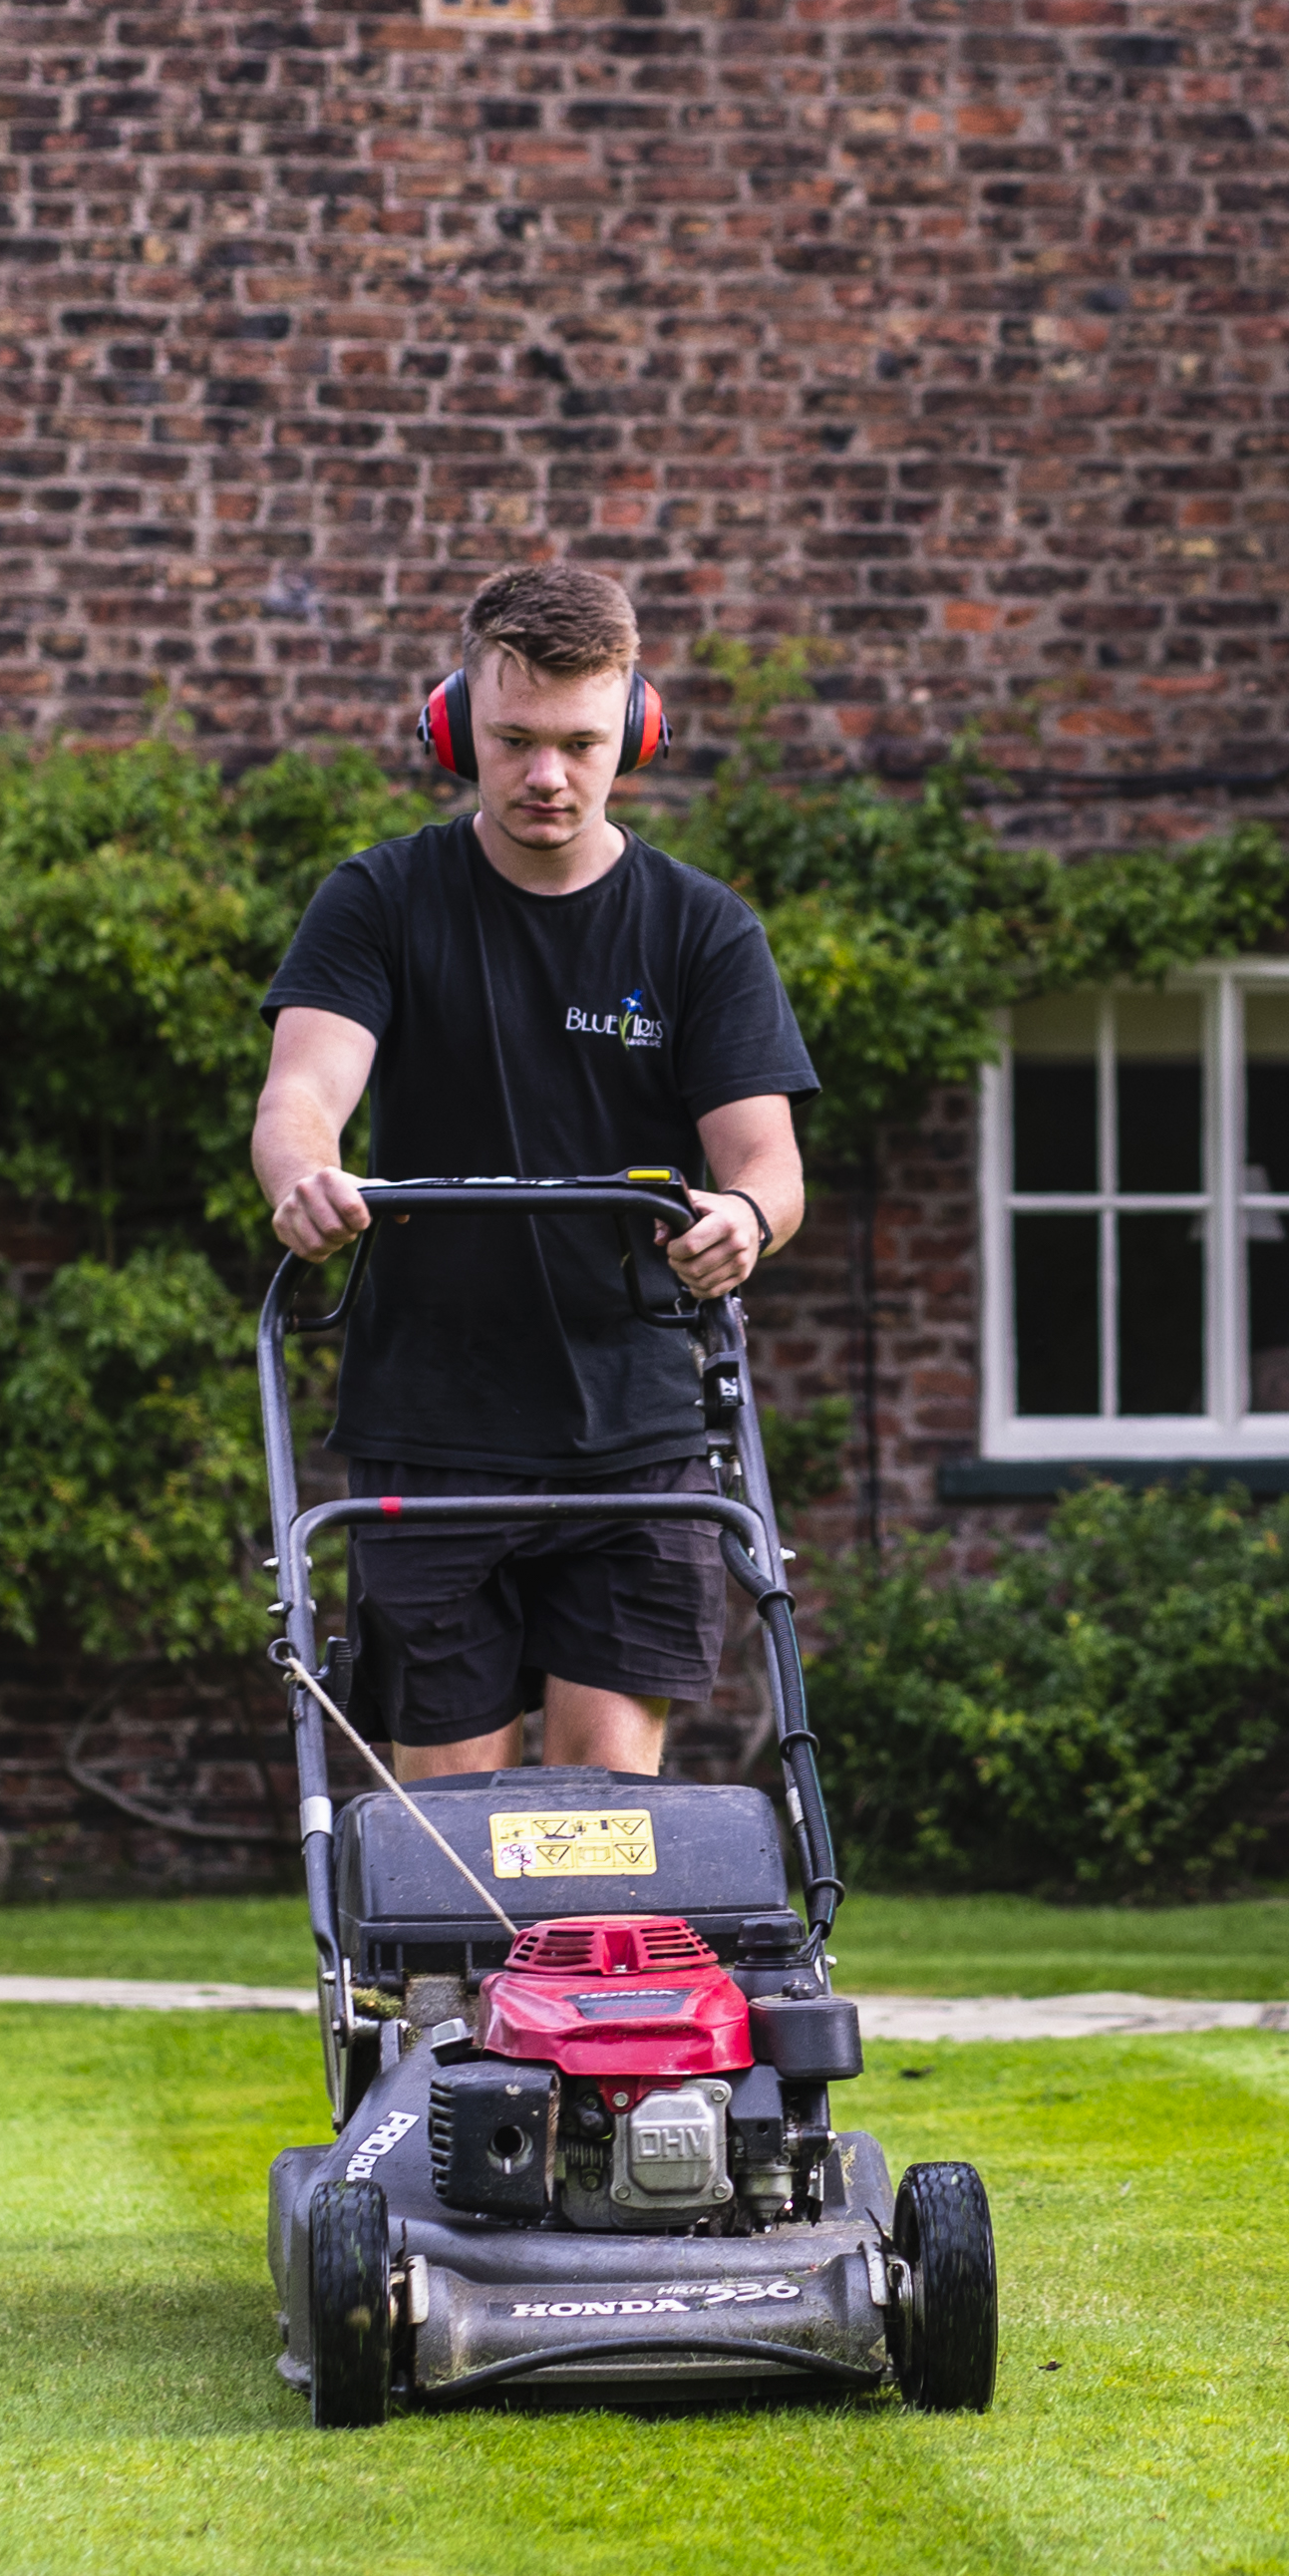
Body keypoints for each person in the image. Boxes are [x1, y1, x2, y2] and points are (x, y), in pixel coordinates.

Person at [250, 562, 816, 1779]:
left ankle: (585, 1987)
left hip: (638, 1432)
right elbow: (302, 1093)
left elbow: (767, 1163)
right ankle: (451, 1979)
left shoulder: (699, 929)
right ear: (456, 726)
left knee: (600, 1840)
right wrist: (306, 1176)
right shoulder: (380, 901)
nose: (546, 777)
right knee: (456, 1853)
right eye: (512, 742)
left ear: (636, 729)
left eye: (578, 742)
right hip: (432, 1427)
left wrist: (743, 1219)